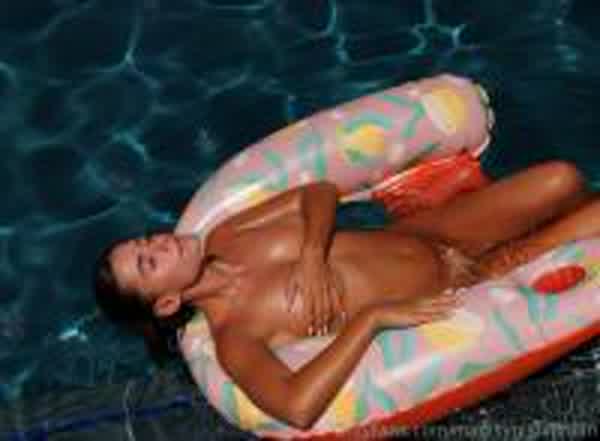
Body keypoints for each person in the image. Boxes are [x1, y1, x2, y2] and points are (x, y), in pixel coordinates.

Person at [95, 160, 600, 429]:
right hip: (468, 282)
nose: (159, 243)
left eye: (146, 240)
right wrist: (370, 320)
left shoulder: (228, 237)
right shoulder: (237, 336)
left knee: (562, 178)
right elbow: (296, 407)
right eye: (149, 262)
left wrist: (312, 253)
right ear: (167, 303)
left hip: (431, 233)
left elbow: (317, 193)